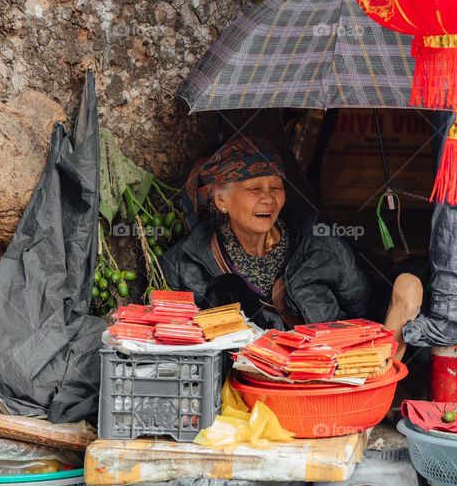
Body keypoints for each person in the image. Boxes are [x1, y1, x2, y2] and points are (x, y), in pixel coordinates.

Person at [160, 136, 423, 360]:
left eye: (276, 187)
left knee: (409, 284)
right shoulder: (185, 264)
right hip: (247, 385)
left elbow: (367, 311)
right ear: (221, 200)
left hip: (328, 374)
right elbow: (179, 342)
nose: (268, 198)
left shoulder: (322, 246)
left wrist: (406, 287)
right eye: (254, 188)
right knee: (227, 289)